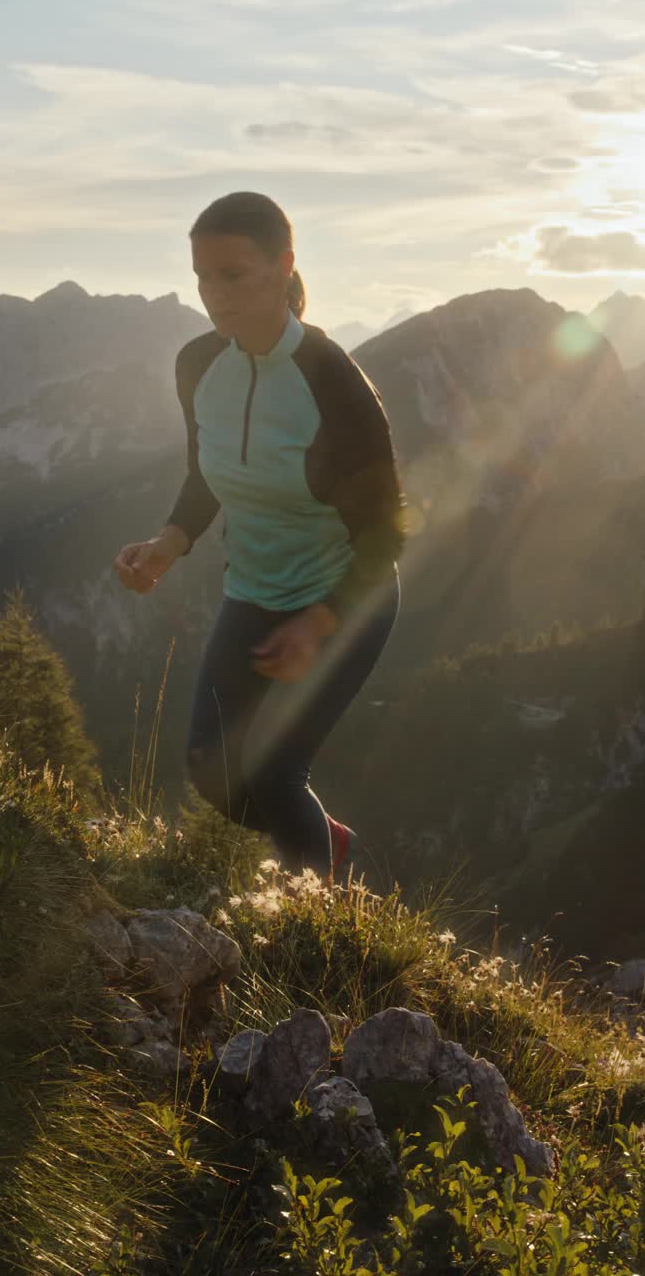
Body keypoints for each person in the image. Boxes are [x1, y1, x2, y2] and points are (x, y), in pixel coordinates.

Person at [114, 191, 407, 879]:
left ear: (283, 268)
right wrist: (167, 544)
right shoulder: (196, 365)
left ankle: (324, 919)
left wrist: (319, 620)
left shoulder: (335, 384)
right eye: (202, 277)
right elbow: (207, 473)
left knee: (274, 770)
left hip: (345, 597)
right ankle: (317, 840)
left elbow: (386, 534)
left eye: (232, 275)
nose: (213, 295)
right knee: (210, 771)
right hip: (252, 592)